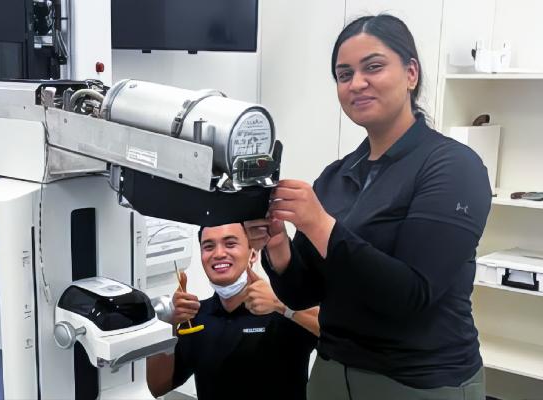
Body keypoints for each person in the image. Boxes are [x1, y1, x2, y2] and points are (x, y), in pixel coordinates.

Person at [245, 14, 491, 400]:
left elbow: (410, 295)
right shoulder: (337, 176)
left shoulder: (452, 167)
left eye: (373, 67)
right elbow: (303, 293)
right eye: (344, 75)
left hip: (420, 381)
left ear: (411, 73)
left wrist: (319, 224)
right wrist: (278, 245)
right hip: (331, 373)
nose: (357, 83)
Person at [146, 223, 318, 400]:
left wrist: (282, 305)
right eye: (208, 246)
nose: (219, 253)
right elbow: (158, 386)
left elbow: (338, 332)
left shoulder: (282, 312)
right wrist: (167, 326)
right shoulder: (195, 318)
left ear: (253, 253)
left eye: (230, 244)